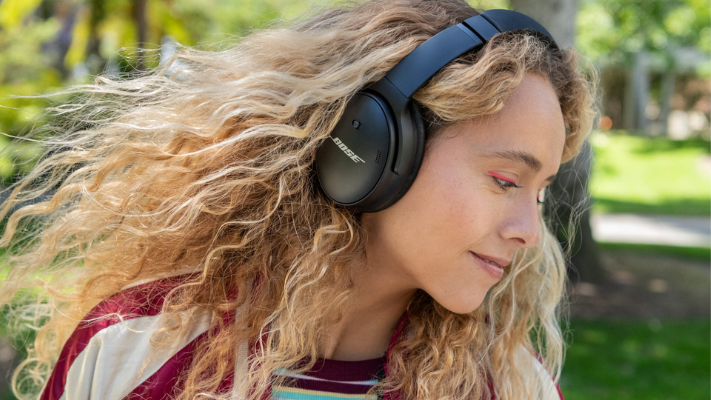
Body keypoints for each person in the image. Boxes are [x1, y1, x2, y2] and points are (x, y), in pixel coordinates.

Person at [0, 0, 598, 399]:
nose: (528, 231)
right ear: (367, 145)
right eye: (504, 180)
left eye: (541, 195)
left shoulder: (512, 385)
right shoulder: (129, 351)